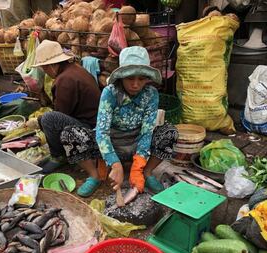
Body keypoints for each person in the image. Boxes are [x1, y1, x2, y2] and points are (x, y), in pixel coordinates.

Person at [60, 46, 178, 197]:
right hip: (111, 143)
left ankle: (147, 173)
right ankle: (94, 175)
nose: (136, 84)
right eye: (130, 78)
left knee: (170, 132)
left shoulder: (151, 94)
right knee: (69, 134)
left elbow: (147, 131)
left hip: (136, 143)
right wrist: (114, 163)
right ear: (121, 77)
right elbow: (102, 132)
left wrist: (138, 166)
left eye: (141, 79)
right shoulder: (110, 92)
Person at [27, 40, 101, 174]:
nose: (45, 72)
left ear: (52, 65)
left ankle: (59, 156)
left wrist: (38, 121)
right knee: (48, 118)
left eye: (44, 68)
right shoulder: (75, 69)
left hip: (91, 129)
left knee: (49, 119)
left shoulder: (65, 79)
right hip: (93, 122)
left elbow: (60, 114)